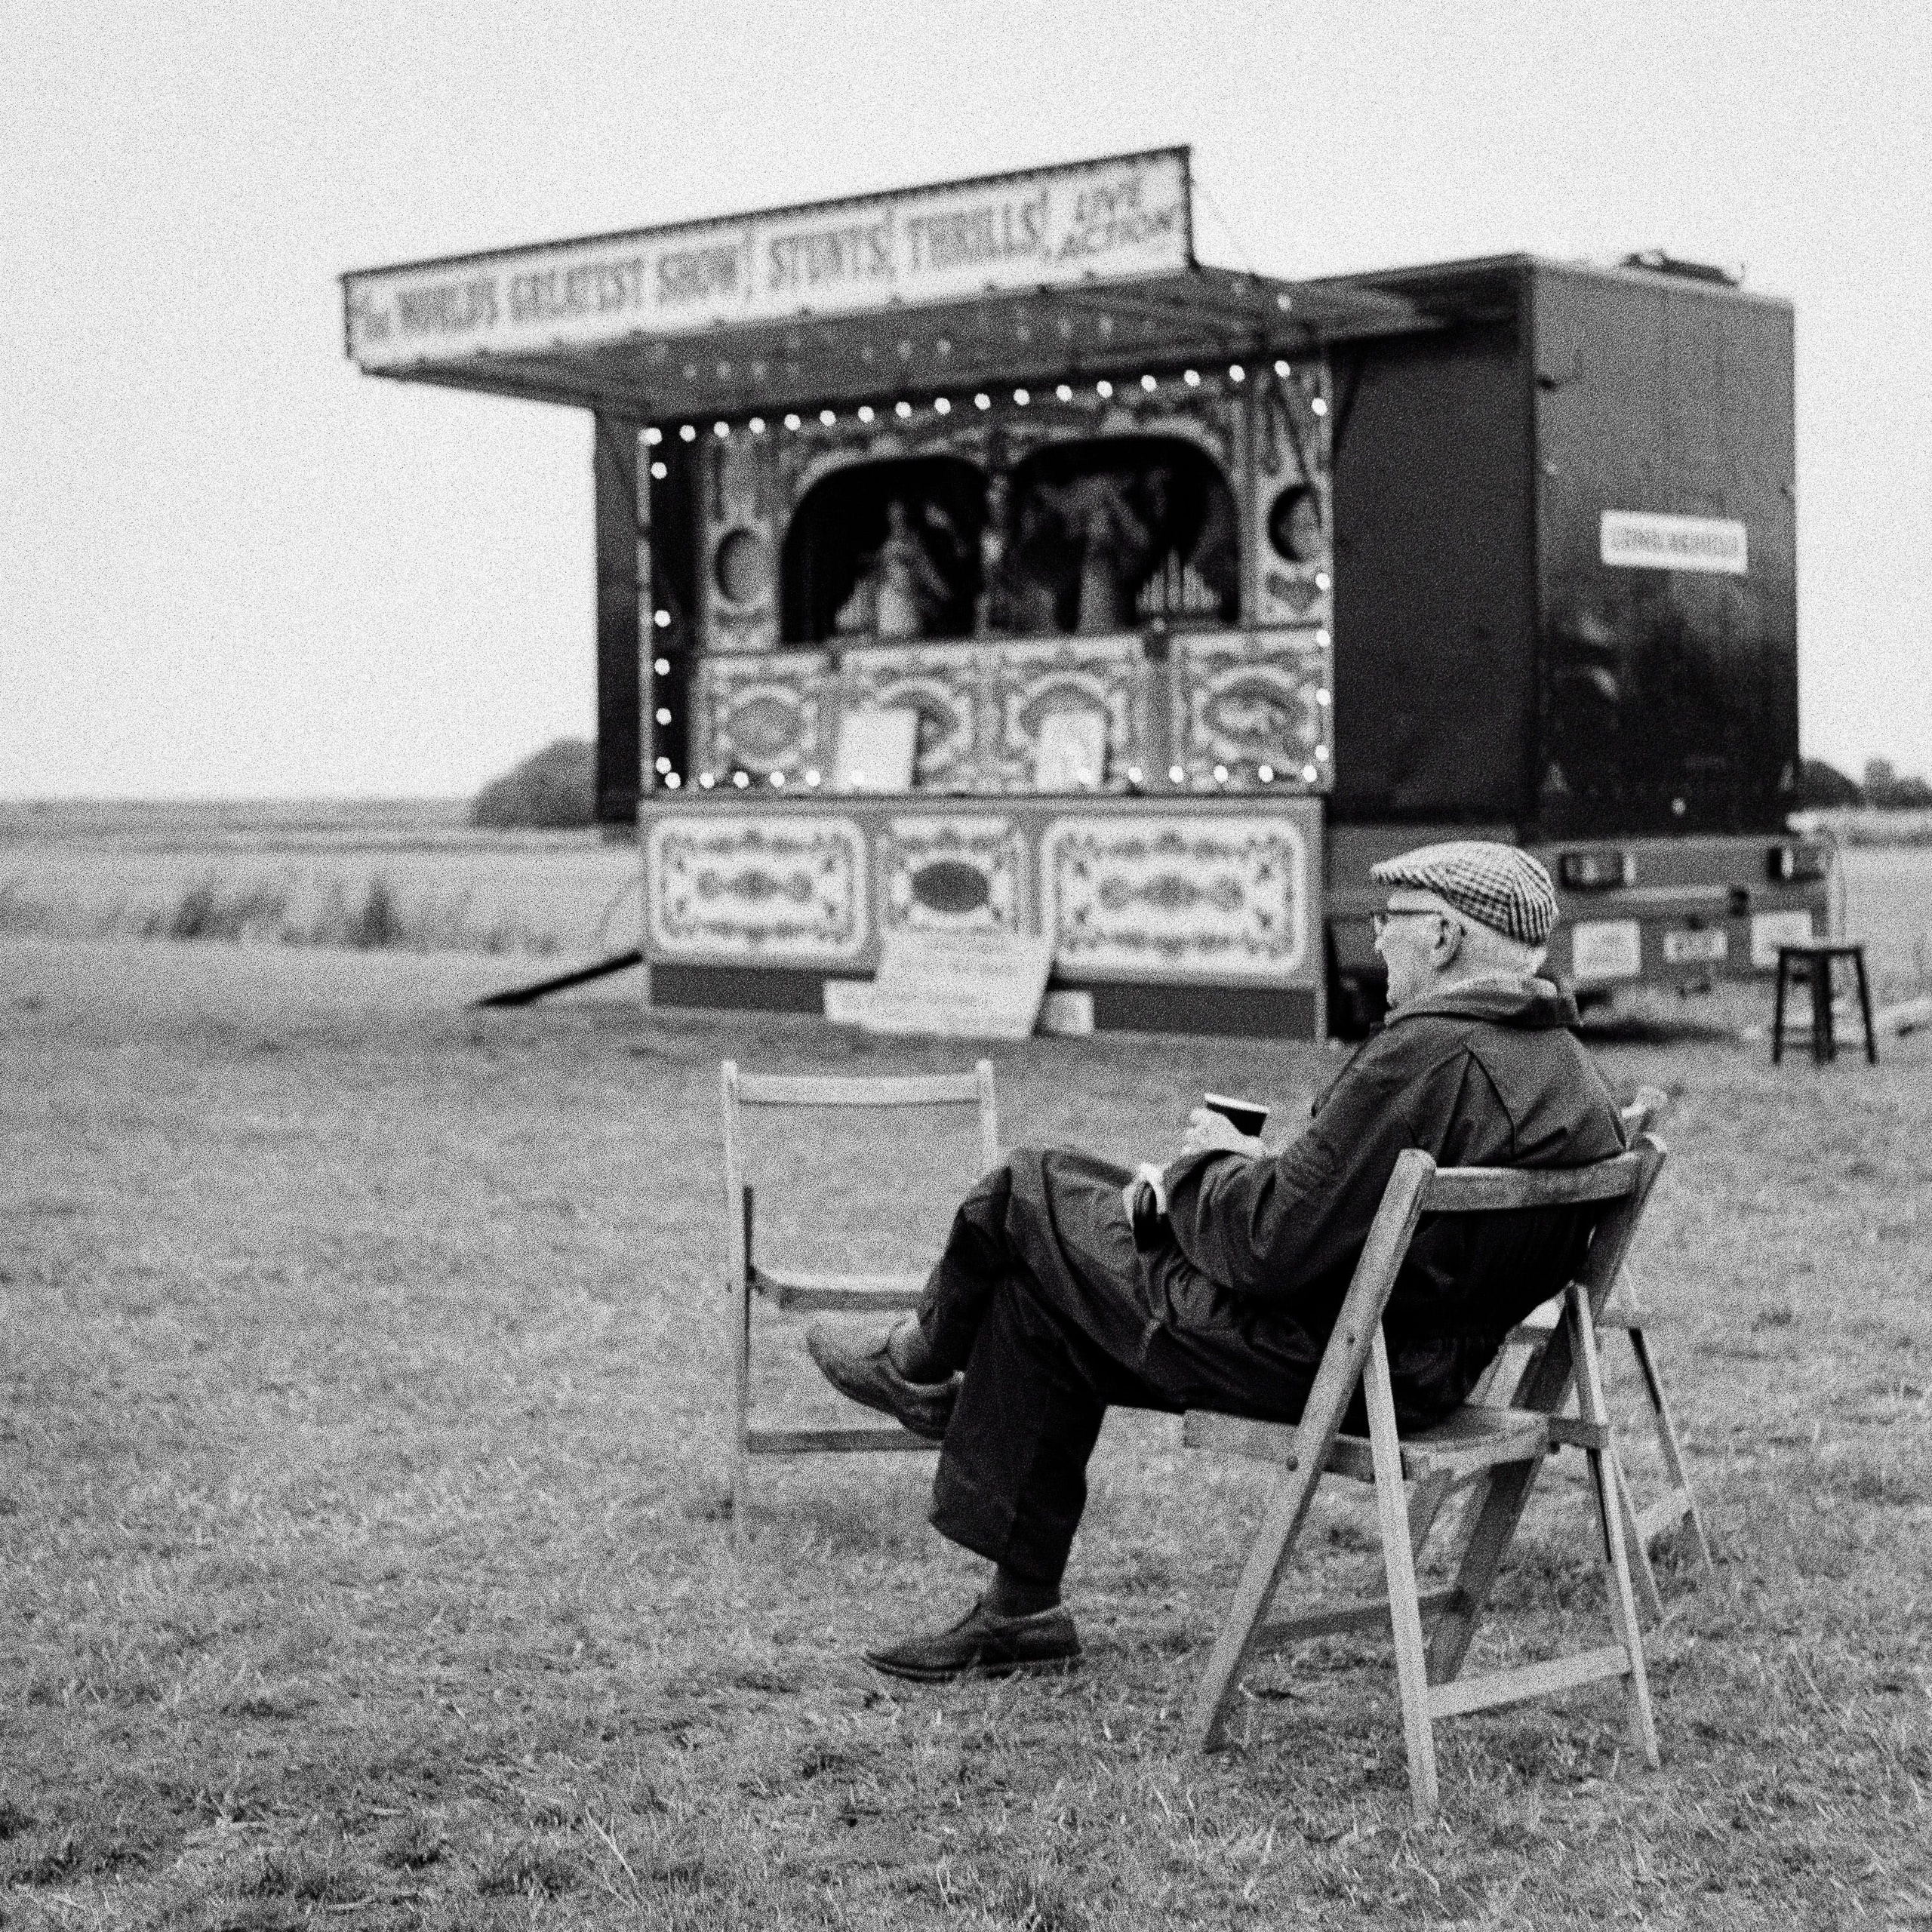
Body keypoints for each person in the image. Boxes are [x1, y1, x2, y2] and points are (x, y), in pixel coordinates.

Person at [805, 841, 1626, 1682]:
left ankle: (914, 1362)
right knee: (1037, 1295)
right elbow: (1344, 1215)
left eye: (1390, 921)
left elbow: (1267, 1248)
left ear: (1444, 937)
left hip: (1324, 1360)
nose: (1378, 940)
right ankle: (1022, 1613)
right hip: (1418, 1364)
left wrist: (1210, 1163)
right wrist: (1247, 1175)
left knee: (1026, 1186)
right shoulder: (1570, 1071)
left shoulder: (1426, 1055)